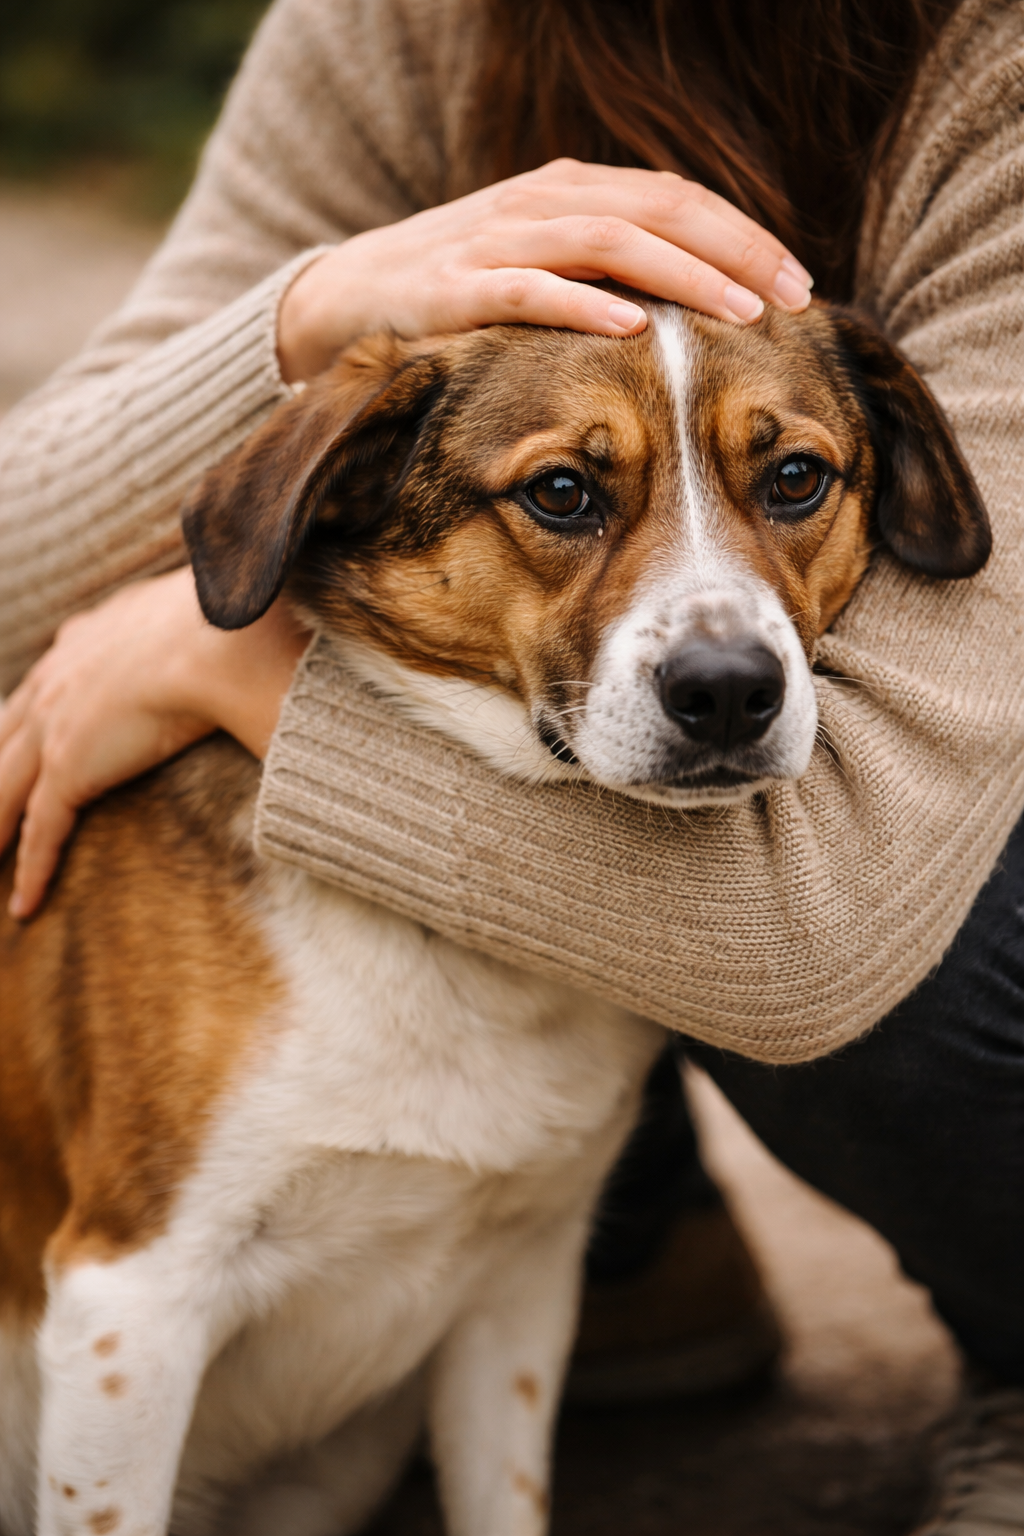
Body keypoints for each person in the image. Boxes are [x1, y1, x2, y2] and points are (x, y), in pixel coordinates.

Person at [1, 0, 1022, 1529]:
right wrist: (308, 311)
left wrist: (224, 666)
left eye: (791, 479)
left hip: (933, 847)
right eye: (566, 494)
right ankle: (660, 1266)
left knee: (877, 926)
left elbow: (826, 934)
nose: (720, 636)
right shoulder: (397, 24)